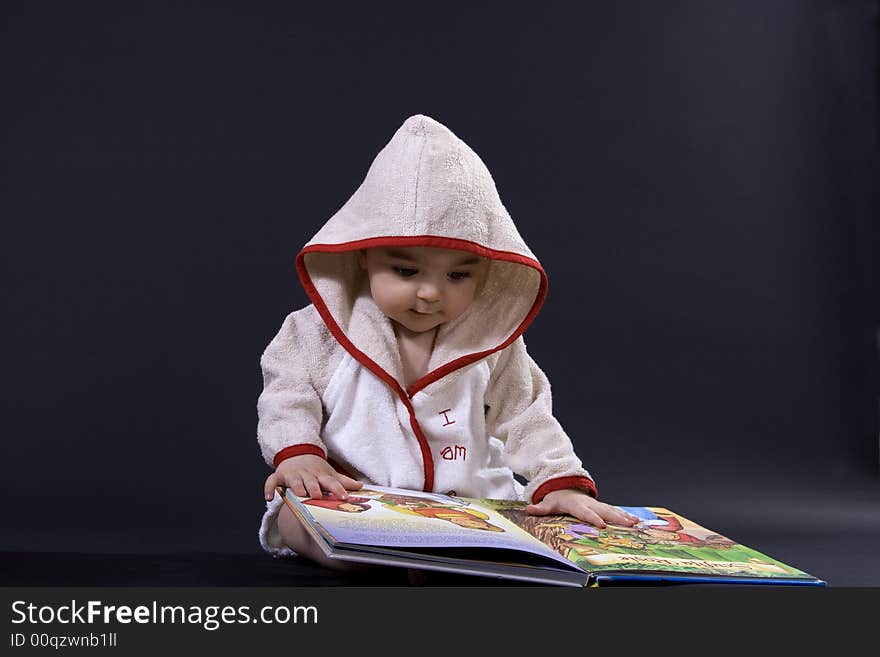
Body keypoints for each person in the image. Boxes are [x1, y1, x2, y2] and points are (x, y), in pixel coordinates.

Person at [256, 114, 639, 570]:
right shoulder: (315, 330)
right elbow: (287, 393)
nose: (432, 293)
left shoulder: (494, 344)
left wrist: (558, 481)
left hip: (473, 505)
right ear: (361, 254)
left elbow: (528, 416)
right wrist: (301, 455)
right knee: (304, 525)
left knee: (531, 532)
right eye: (406, 271)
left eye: (459, 275)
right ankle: (388, 556)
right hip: (358, 499)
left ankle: (450, 556)